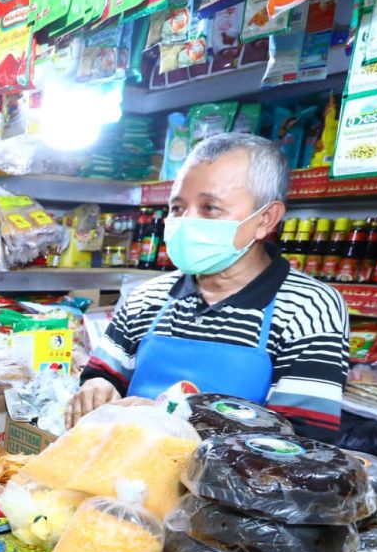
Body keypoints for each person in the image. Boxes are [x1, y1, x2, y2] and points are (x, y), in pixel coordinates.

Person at [69, 133, 349, 442]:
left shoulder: (309, 308)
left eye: (210, 208)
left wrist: (170, 422)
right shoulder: (148, 296)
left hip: (227, 488)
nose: (186, 221)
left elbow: (302, 441)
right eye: (177, 208)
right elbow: (104, 375)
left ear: (266, 219)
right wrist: (96, 388)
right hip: (122, 480)